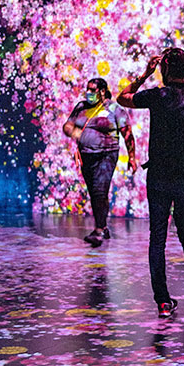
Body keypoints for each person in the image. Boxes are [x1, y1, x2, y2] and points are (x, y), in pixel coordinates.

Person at [117, 48, 184, 319]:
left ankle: (163, 301)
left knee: (157, 239)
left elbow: (122, 98)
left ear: (165, 69)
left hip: (159, 177)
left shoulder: (157, 96)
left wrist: (144, 74)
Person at [63, 78, 137, 247]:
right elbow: (67, 125)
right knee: (95, 192)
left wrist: (132, 157)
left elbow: (127, 133)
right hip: (86, 156)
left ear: (102, 91)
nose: (88, 93)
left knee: (99, 189)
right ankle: (103, 227)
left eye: (92, 90)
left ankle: (98, 231)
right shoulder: (81, 107)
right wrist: (75, 133)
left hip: (106, 155)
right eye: (87, 89)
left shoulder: (114, 108)